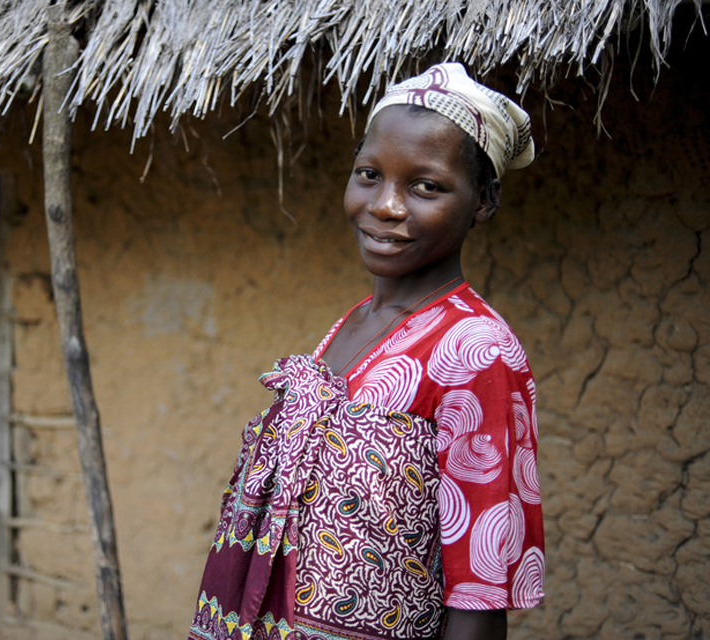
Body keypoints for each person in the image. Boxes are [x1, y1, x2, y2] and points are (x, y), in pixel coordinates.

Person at [188, 62, 545, 640]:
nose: (386, 206)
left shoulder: (476, 350)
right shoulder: (354, 323)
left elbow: (479, 587)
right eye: (369, 175)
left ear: (484, 200)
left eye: (426, 186)